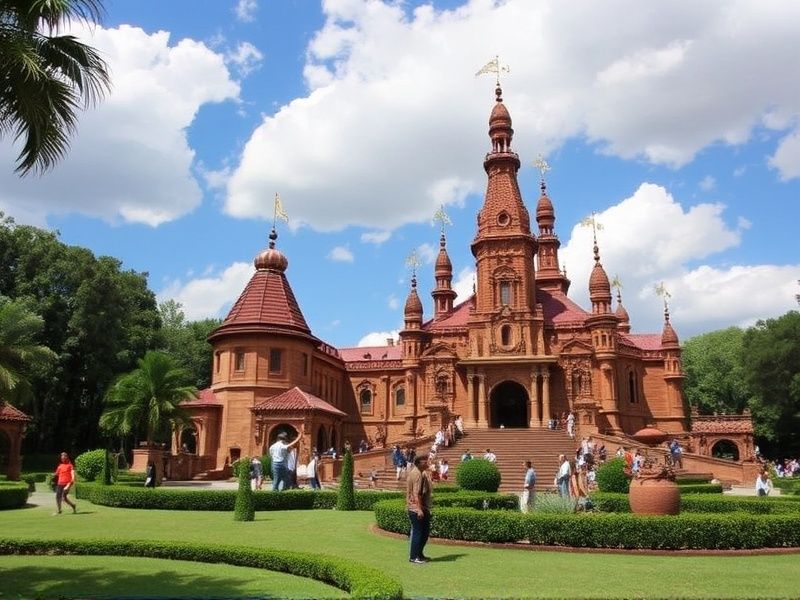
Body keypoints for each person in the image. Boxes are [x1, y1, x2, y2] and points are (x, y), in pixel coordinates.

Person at [406, 454, 432, 564]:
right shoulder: (417, 474)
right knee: (418, 532)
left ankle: (419, 554)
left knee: (424, 532)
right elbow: (416, 493)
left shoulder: (420, 473)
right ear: (418, 463)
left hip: (421, 506)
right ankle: (414, 556)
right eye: (424, 461)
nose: (427, 462)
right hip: (415, 508)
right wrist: (419, 509)